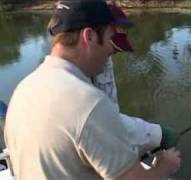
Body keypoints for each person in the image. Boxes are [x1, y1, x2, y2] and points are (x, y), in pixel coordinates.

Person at [4, 0, 181, 179]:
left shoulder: (22, 91)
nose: (109, 53)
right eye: (110, 39)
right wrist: (165, 166)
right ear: (89, 36)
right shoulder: (89, 102)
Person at [93, 3, 178, 155]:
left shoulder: (104, 59)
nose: (112, 56)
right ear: (91, 36)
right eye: (113, 49)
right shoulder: (72, 83)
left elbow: (111, 114)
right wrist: (157, 135)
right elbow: (103, 123)